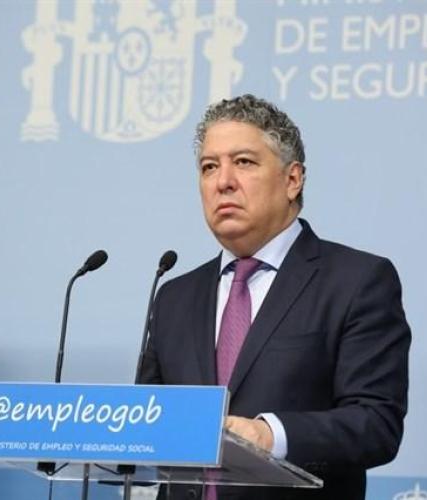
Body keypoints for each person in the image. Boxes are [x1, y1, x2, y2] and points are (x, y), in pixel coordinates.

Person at [140, 94, 411, 500]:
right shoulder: (175, 297)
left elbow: (376, 424)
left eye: (243, 162)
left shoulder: (357, 281)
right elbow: (149, 423)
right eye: (209, 166)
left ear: (292, 180)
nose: (222, 181)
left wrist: (271, 435)